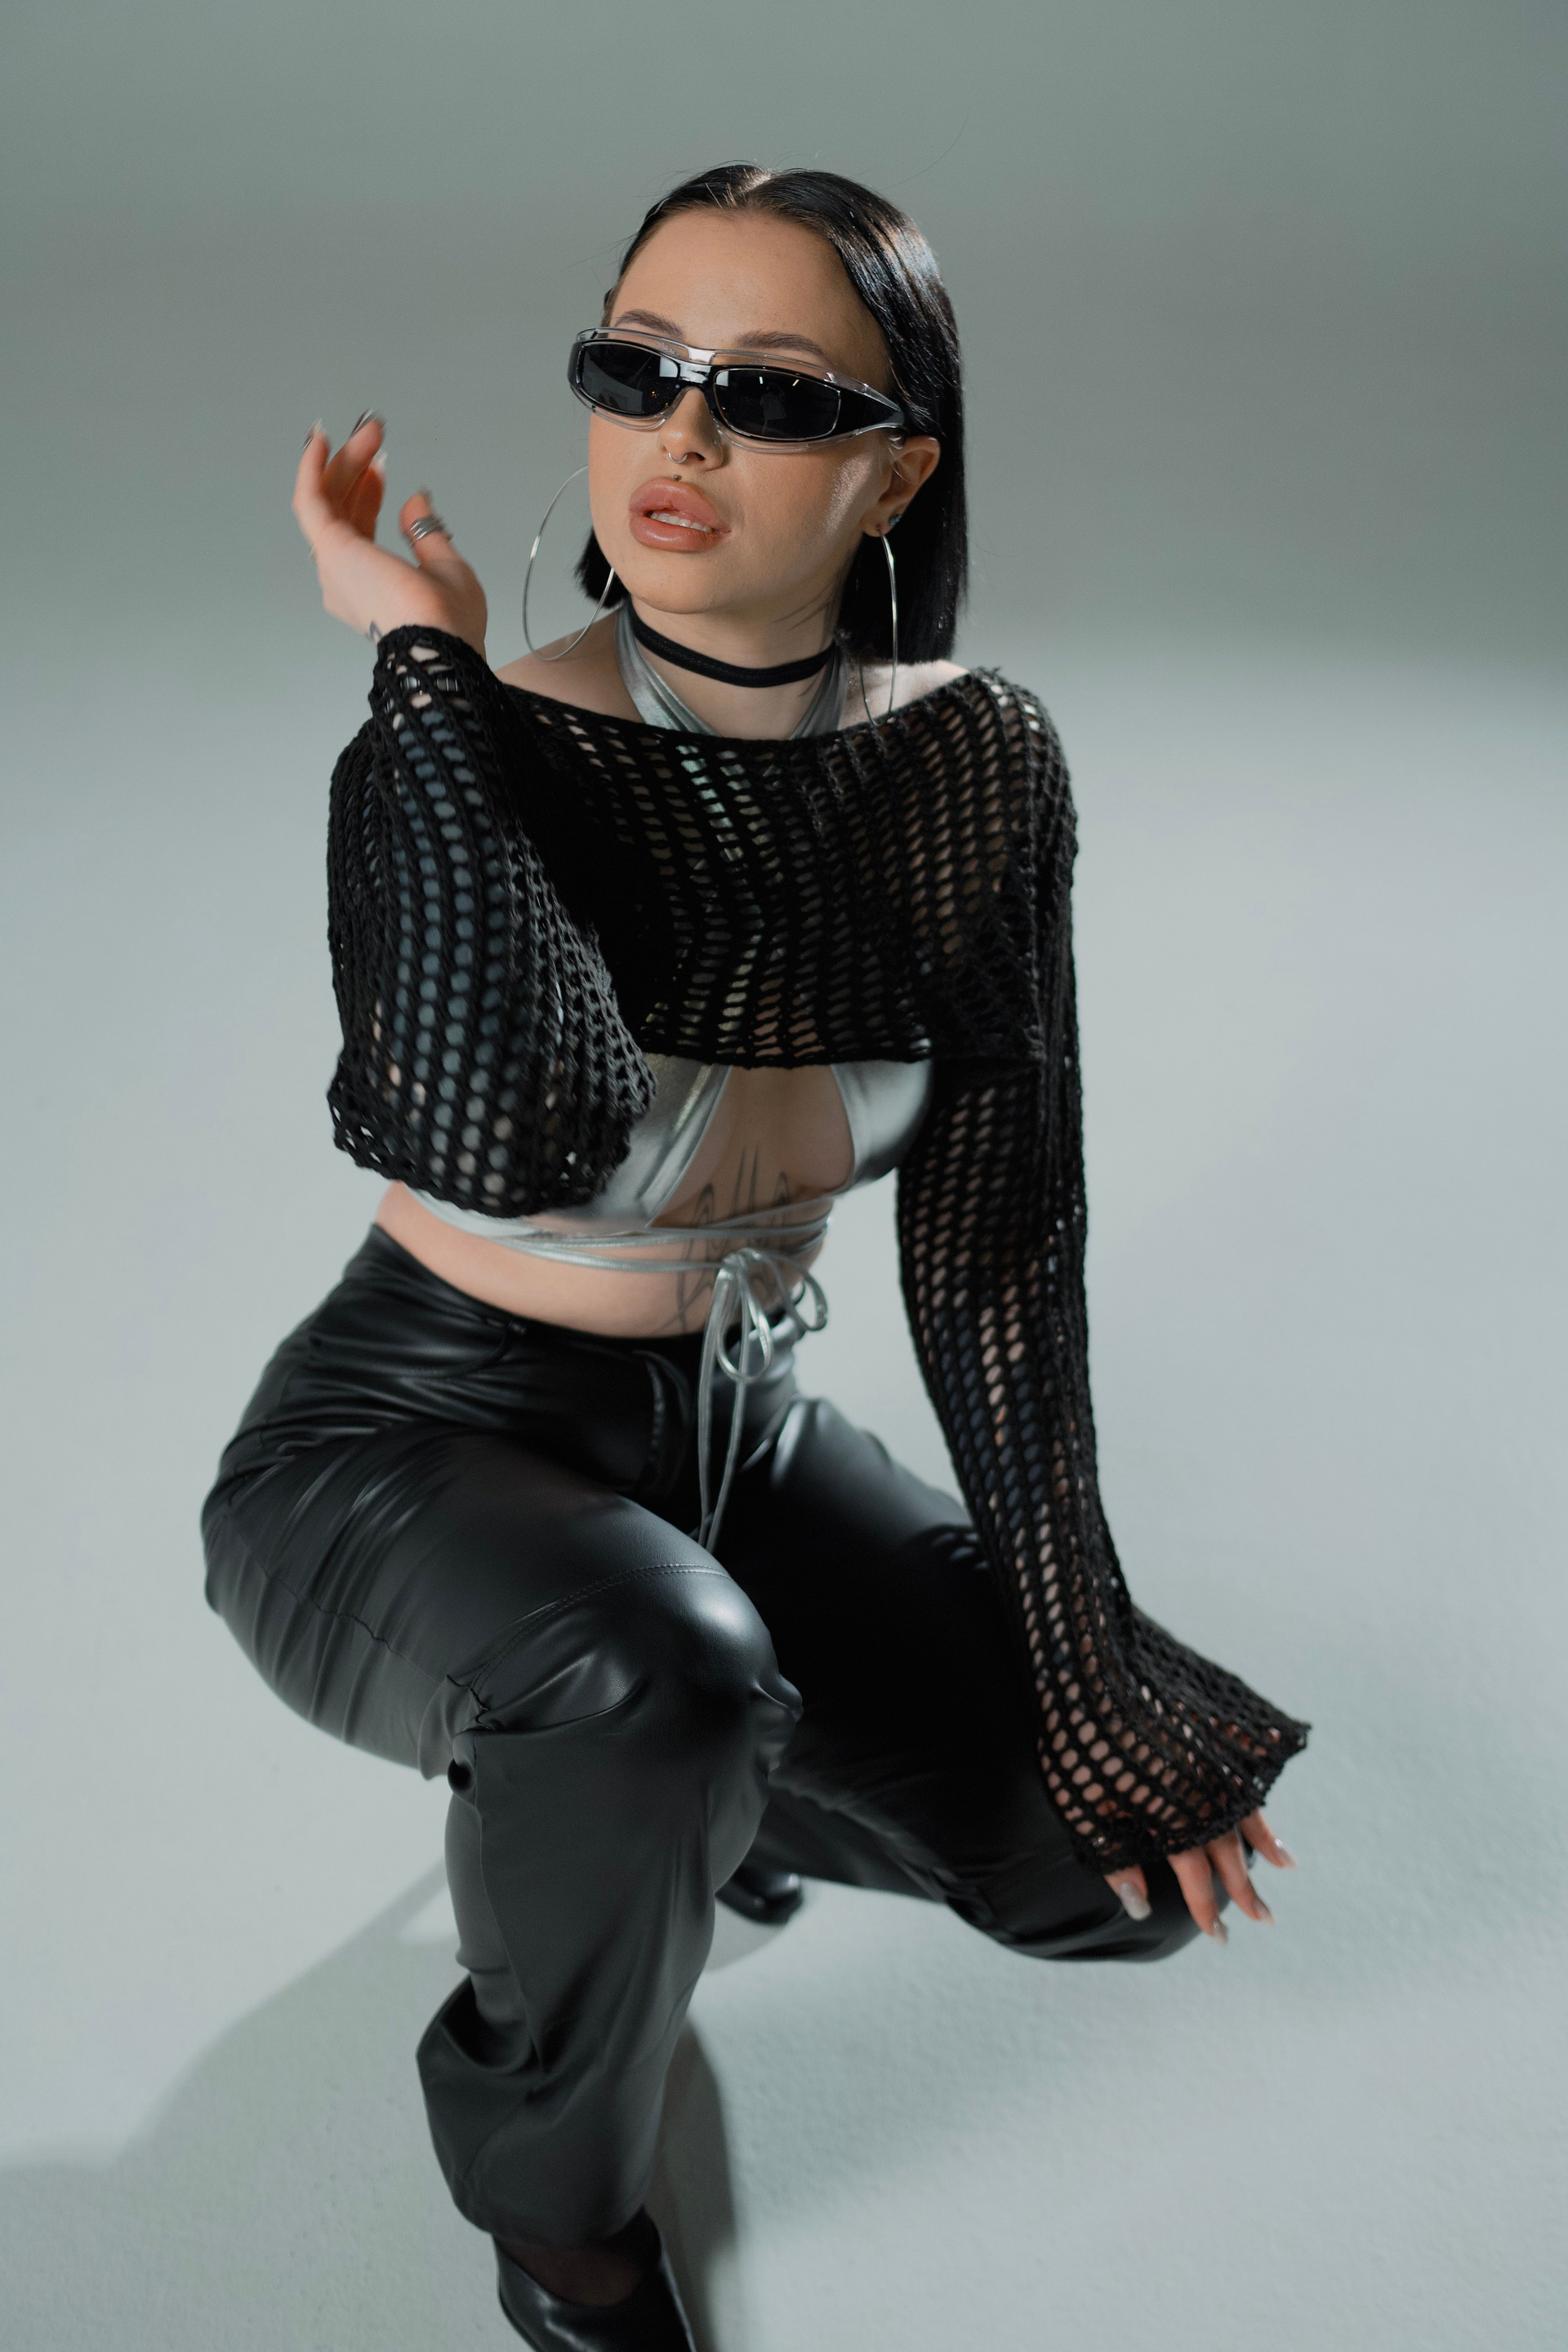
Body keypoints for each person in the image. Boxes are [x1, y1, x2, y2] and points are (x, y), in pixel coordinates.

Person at [202, 163, 1308, 2350]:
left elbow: (1005, 1233)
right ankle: (558, 2207)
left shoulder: (971, 762)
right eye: (636, 369)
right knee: (656, 1683)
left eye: (771, 395)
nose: (680, 434)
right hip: (406, 1444)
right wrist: (427, 667)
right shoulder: (468, 738)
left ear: (898, 467)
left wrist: (1082, 1646)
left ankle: (675, 1795)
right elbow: (508, 1123)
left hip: (732, 1435)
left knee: (1113, 1868)